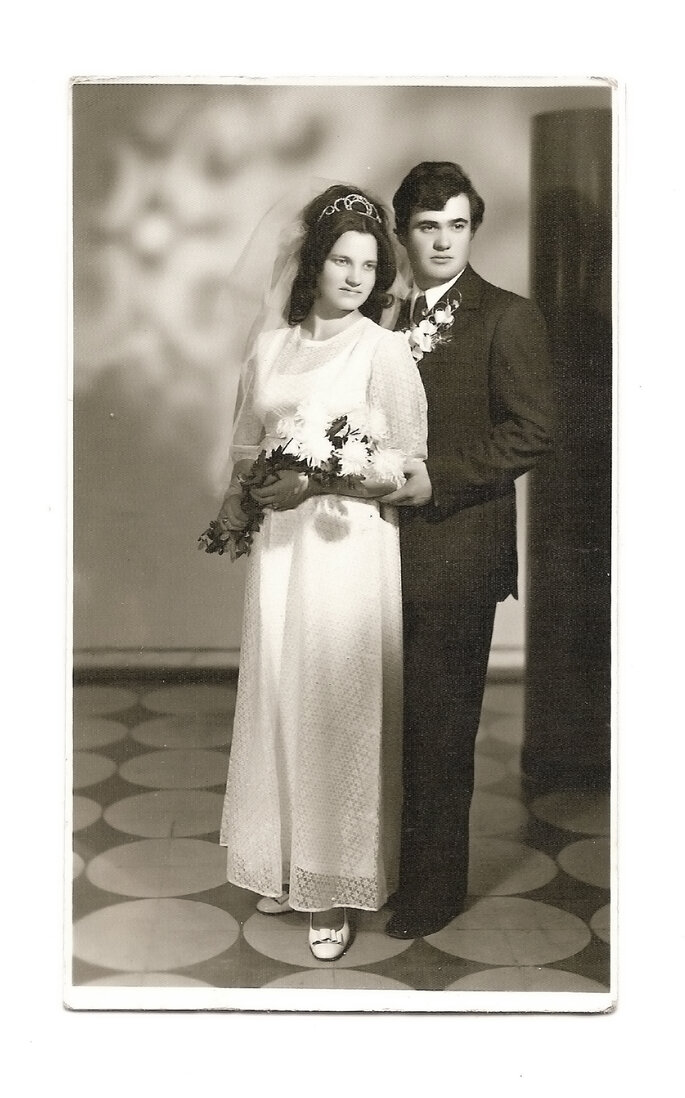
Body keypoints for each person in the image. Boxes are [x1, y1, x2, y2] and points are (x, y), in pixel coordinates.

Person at [215, 185, 428, 961]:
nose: (355, 277)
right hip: (280, 554)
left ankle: (334, 885)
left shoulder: (384, 350)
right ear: (316, 261)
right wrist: (242, 504)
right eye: (342, 260)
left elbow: (405, 468)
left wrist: (326, 478)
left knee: (335, 708)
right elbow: (246, 448)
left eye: (369, 266)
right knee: (279, 694)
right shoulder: (270, 348)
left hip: (346, 554)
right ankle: (282, 858)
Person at [382, 161, 555, 939]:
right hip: (375, 556)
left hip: (456, 553)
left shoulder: (506, 317)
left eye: (456, 224)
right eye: (427, 225)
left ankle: (431, 894)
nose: (443, 240)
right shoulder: (381, 317)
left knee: (440, 732)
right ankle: (384, 870)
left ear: (472, 229)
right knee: (388, 725)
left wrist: (434, 481)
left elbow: (530, 430)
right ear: (402, 233)